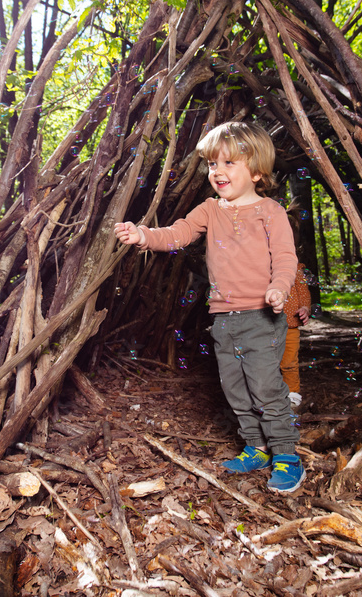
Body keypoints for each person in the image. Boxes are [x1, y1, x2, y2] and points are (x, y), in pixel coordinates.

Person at [114, 121, 306, 493]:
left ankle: (286, 454)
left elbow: (286, 258)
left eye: (227, 163)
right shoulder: (209, 210)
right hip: (222, 318)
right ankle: (257, 447)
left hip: (262, 317)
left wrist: (279, 289)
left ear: (256, 170)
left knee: (266, 386)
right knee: (234, 386)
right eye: (211, 164)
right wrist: (143, 235)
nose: (216, 171)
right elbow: (177, 234)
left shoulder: (271, 211)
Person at [280, 266, 311, 409]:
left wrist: (305, 308)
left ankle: (292, 395)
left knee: (289, 362)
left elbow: (304, 293)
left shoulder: (296, 268)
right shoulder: (260, 265)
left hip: (290, 326)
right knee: (266, 363)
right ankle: (270, 396)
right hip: (265, 325)